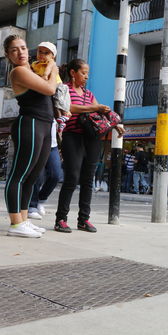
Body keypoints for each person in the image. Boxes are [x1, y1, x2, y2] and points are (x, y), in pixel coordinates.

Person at [54, 59, 123, 233]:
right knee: (71, 177)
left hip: (91, 138)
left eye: (87, 73)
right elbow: (67, 107)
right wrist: (93, 107)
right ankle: (61, 219)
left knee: (88, 180)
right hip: (72, 136)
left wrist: (116, 124)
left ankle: (84, 219)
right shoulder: (64, 89)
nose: (86, 76)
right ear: (73, 73)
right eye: (83, 73)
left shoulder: (89, 94)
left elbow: (101, 111)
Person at [4, 35, 57, 237]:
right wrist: (54, 67)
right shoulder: (18, 71)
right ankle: (15, 223)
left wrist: (50, 68)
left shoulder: (32, 70)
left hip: (44, 124)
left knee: (33, 176)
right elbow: (51, 88)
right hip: (30, 123)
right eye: (14, 50)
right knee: (19, 174)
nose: (21, 52)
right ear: (8, 55)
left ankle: (24, 219)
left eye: (23, 48)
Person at [30, 42, 71, 133]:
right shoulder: (34, 64)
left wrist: (45, 75)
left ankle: (66, 114)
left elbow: (48, 69)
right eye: (40, 51)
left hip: (57, 85)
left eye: (46, 53)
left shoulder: (51, 62)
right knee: (54, 105)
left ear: (53, 56)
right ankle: (61, 121)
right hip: (48, 87)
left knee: (60, 102)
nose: (42, 55)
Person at [27, 121, 62, 220]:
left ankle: (41, 200)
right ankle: (32, 205)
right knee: (38, 176)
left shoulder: (57, 110)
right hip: (38, 142)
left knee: (55, 175)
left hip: (53, 145)